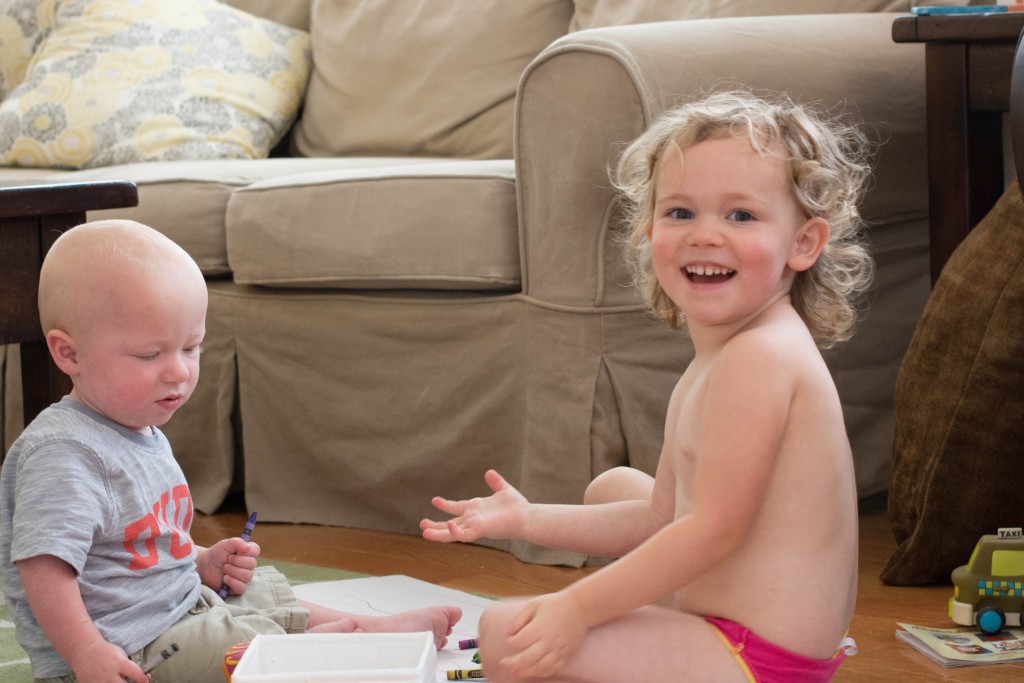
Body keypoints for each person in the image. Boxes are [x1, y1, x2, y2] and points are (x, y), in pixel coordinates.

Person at [420, 90, 873, 682]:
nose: (705, 235)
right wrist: (528, 520)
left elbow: (713, 532)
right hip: (738, 629)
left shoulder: (758, 359)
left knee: (510, 633)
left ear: (804, 243)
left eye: (741, 215)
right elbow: (665, 517)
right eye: (680, 212)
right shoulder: (730, 351)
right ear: (649, 230)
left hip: (758, 659)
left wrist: (574, 610)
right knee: (613, 487)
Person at [0, 219, 461, 683]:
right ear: (69, 354)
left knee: (258, 593)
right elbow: (43, 568)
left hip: (175, 606)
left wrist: (199, 561)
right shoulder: (63, 453)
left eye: (191, 347)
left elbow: (140, 544)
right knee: (235, 650)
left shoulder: (134, 425)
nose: (178, 371)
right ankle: (328, 652)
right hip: (126, 648)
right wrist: (85, 652)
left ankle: (371, 629)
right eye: (150, 355)